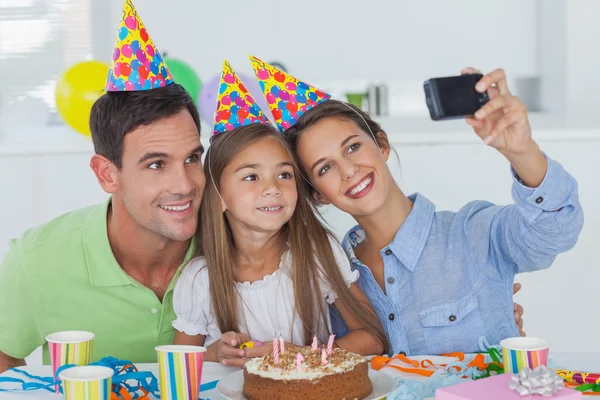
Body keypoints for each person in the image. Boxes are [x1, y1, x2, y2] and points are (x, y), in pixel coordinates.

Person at [268, 63, 584, 356]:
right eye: (325, 168)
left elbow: (555, 231)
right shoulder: (329, 280)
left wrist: (521, 150)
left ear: (382, 145)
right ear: (317, 194)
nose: (348, 170)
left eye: (353, 147)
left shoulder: (474, 232)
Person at [0, 2, 206, 372]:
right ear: (107, 174)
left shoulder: (238, 241)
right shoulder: (37, 260)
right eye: (156, 164)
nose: (185, 184)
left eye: (192, 158)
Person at [171, 61, 387, 367]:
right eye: (251, 177)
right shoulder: (199, 280)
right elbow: (178, 363)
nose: (272, 188)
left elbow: (372, 337)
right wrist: (215, 353)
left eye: (284, 175)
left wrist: (300, 355)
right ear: (218, 197)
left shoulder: (315, 253)